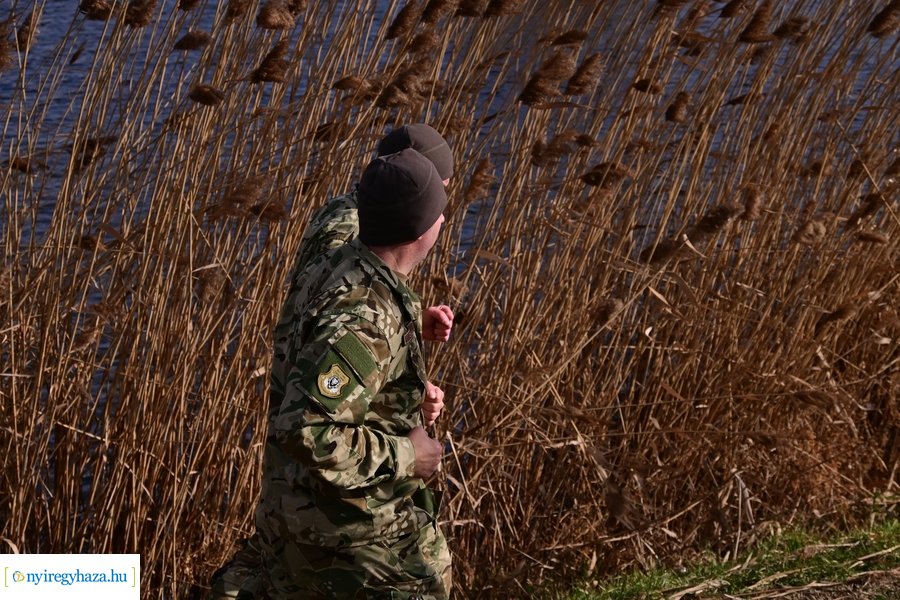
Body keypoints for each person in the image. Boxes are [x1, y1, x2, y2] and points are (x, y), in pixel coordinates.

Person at [208, 125, 455, 600]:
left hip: (300, 511)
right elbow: (310, 429)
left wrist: (399, 367)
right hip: (347, 533)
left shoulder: (344, 256)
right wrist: (411, 453)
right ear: (424, 227)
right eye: (440, 207)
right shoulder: (366, 315)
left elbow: (325, 334)